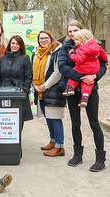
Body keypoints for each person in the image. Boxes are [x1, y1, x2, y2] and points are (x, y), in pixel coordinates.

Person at [58, 20, 107, 172]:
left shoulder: (93, 46)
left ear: (81, 31)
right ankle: (77, 155)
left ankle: (100, 159)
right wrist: (81, 76)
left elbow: (104, 65)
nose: (72, 33)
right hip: (72, 90)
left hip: (90, 89)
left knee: (94, 123)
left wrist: (95, 76)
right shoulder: (65, 49)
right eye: (70, 31)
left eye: (75, 30)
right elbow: (62, 67)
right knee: (75, 123)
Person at [32, 30, 66, 157]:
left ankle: (60, 147)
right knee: (49, 118)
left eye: (46, 38)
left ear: (51, 38)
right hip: (40, 91)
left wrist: (44, 86)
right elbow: (32, 70)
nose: (43, 40)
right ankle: (53, 141)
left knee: (56, 118)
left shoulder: (57, 51)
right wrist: (35, 86)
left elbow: (57, 72)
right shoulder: (36, 53)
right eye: (41, 38)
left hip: (54, 90)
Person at [62, 29, 108, 107]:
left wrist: (72, 54)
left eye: (77, 40)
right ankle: (85, 97)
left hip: (83, 68)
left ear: (83, 40)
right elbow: (104, 57)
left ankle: (70, 88)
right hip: (93, 70)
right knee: (88, 83)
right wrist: (105, 60)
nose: (75, 41)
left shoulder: (82, 48)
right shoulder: (97, 46)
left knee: (73, 72)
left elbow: (79, 60)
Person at [0, 35, 33, 126]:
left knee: (18, 119)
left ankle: (17, 139)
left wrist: (25, 90)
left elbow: (29, 76)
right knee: (4, 119)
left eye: (17, 43)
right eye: (13, 43)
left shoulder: (25, 58)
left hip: (19, 93)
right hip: (3, 92)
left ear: (20, 45)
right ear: (9, 44)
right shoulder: (2, 59)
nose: (14, 45)